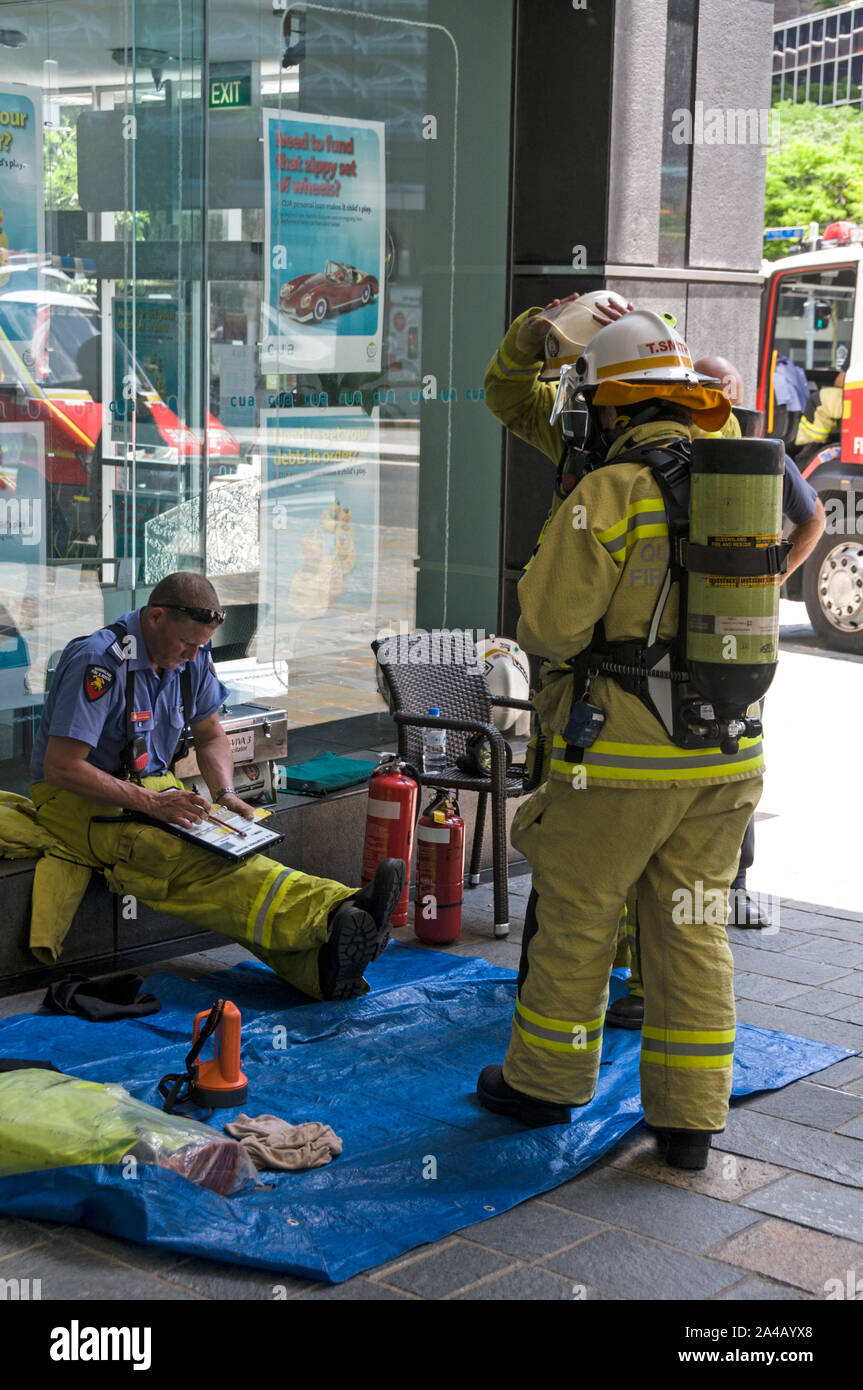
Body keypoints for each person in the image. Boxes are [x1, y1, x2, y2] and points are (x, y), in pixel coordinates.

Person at [476, 310, 767, 1170]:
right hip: (727, 757)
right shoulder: (734, 477)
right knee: (691, 926)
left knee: (577, 919)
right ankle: (687, 1122)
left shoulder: (608, 491)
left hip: (621, 764)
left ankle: (544, 1085)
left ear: (611, 408)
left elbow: (552, 627)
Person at [29, 570, 404, 1001]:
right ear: (155, 618)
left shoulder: (190, 658)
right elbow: (62, 768)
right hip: (73, 797)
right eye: (187, 644)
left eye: (201, 646)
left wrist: (226, 796)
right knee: (174, 856)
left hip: (152, 788)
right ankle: (335, 908)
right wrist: (152, 803)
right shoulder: (99, 662)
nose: (193, 655)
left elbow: (210, 736)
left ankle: (322, 967)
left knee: (230, 850)